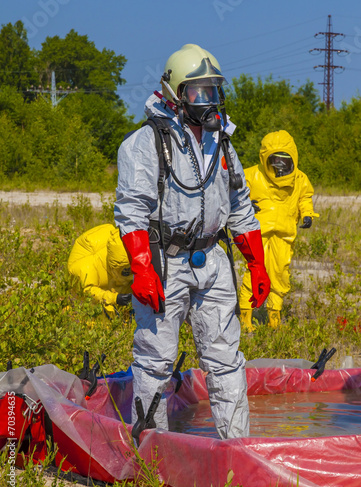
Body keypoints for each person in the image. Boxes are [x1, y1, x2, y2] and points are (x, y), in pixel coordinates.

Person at [114, 44, 270, 440]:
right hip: (165, 261)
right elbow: (132, 210)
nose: (209, 101)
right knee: (155, 361)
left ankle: (239, 451)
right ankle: (151, 455)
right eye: (199, 92)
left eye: (214, 91)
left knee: (226, 360)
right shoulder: (145, 144)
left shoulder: (222, 142)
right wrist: (142, 268)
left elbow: (240, 206)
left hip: (213, 260)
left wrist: (257, 263)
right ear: (175, 93)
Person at [239, 130, 319, 330]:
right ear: (265, 159)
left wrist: (307, 213)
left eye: (284, 161)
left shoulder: (300, 179)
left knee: (280, 275)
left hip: (284, 235)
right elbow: (234, 195)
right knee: (254, 272)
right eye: (275, 161)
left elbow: (304, 198)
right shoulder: (251, 175)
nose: (280, 166)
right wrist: (246, 204)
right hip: (257, 234)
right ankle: (245, 318)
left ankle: (275, 319)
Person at [67, 224, 132, 319]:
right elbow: (88, 291)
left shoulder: (126, 254)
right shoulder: (85, 267)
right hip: (89, 303)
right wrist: (114, 298)